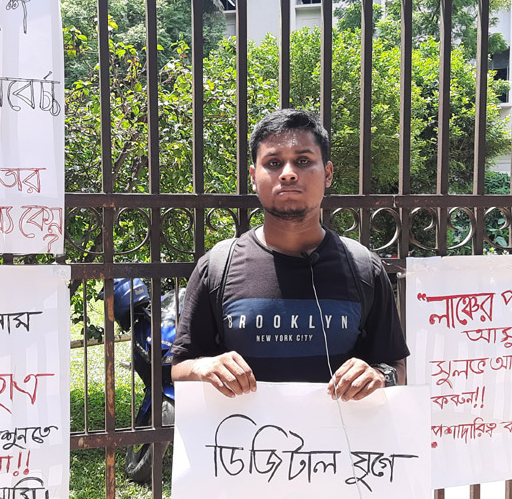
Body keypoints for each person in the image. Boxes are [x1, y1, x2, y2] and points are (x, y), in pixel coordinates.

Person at [170, 108, 409, 401]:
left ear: (328, 173)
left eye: (303, 161)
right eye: (273, 163)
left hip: (341, 432)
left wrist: (379, 376)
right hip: (240, 431)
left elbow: (395, 365)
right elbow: (180, 366)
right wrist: (203, 367)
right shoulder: (218, 266)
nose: (288, 173)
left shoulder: (364, 268)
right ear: (253, 177)